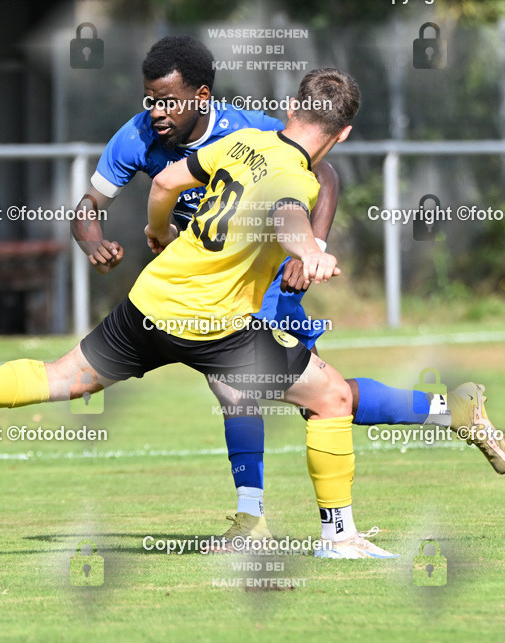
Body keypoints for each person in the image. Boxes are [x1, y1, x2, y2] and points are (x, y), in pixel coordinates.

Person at [0, 68, 505, 559]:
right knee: (331, 398)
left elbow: (167, 183)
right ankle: (337, 535)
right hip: (219, 329)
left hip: (153, 301)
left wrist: (159, 235)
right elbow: (286, 210)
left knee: (58, 378)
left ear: (289, 108)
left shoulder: (243, 143)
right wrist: (308, 245)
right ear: (342, 134)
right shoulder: (302, 179)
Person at [70, 34, 343, 542]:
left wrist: (312, 248)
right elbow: (88, 207)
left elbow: (323, 172)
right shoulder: (134, 138)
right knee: (245, 389)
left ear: (201, 96)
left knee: (316, 397)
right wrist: (92, 242)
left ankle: (439, 414)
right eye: (149, 99)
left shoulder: (250, 129)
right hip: (205, 281)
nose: (155, 111)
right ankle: (254, 519)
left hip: (266, 276)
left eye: (168, 100)